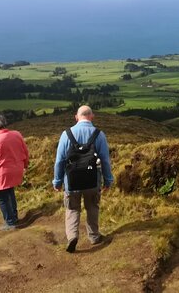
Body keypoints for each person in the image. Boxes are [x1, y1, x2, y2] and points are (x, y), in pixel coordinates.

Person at [53, 105, 114, 253]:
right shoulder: (99, 134)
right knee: (92, 207)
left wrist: (58, 181)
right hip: (92, 180)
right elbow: (105, 160)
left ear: (76, 117)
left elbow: (59, 161)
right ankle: (94, 236)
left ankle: (72, 236)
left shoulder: (66, 134)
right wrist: (108, 180)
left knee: (72, 208)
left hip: (72, 181)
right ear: (92, 116)